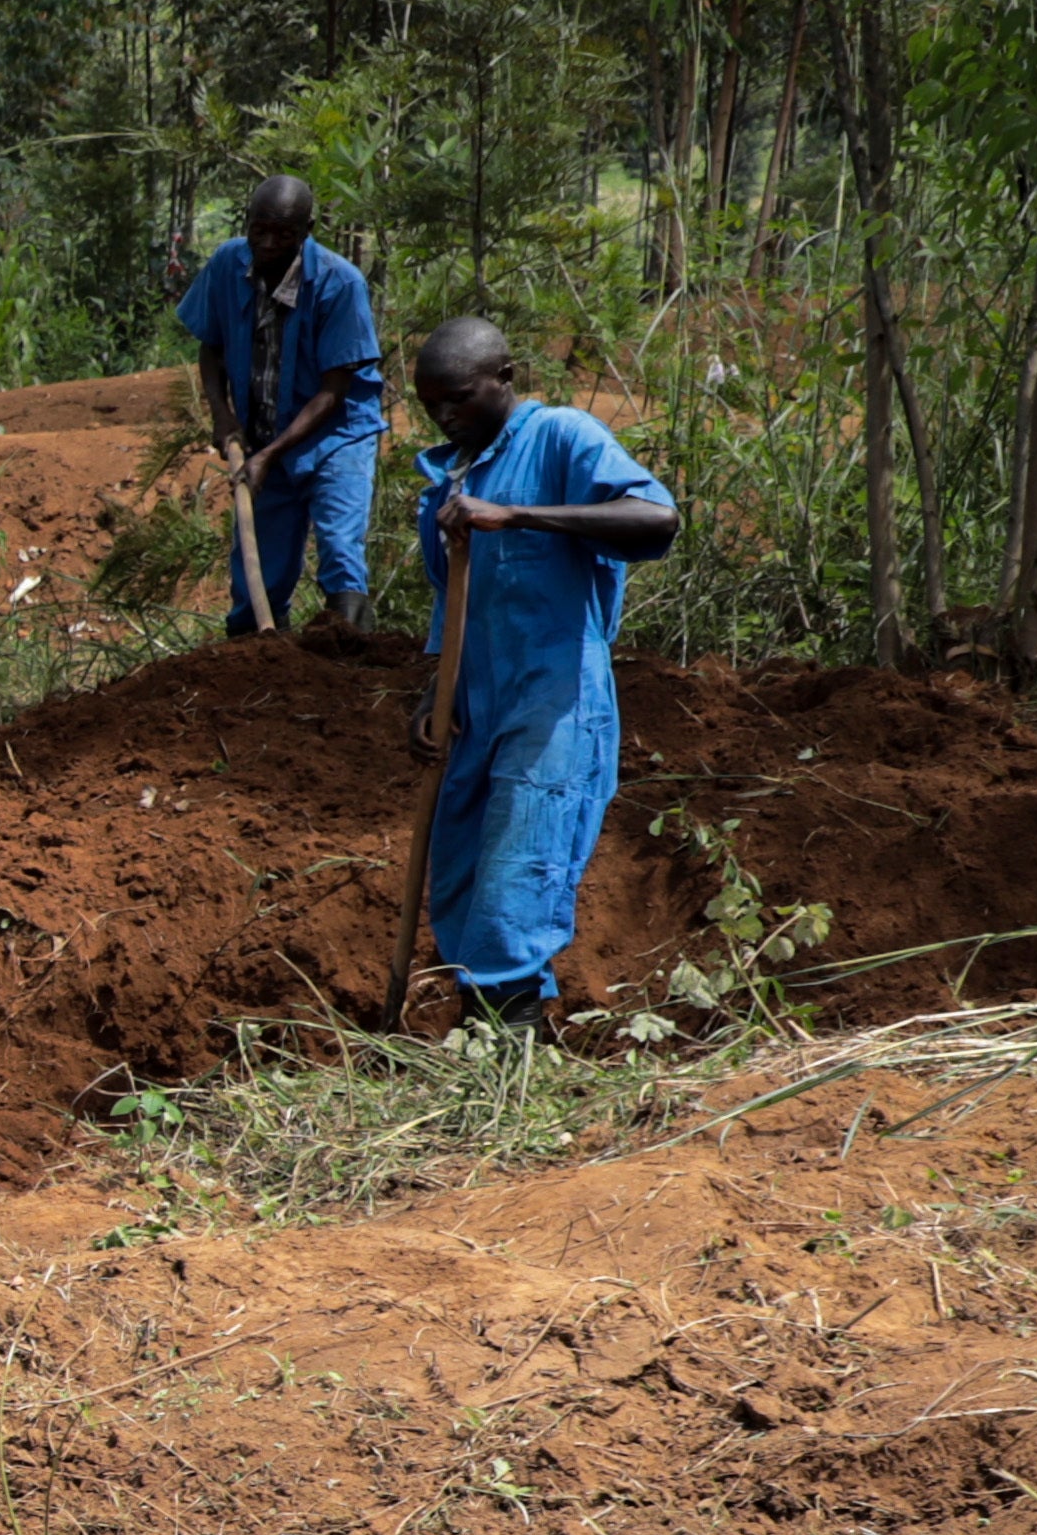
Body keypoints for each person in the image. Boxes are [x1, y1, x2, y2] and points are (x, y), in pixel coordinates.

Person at [401, 315, 680, 1041]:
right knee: (460, 867)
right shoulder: (451, 474)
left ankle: (508, 1048)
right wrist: (437, 689)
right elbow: (454, 599)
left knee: (519, 869)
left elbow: (656, 520)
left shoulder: (561, 436)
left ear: (505, 378)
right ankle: (490, 1035)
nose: (444, 415)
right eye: (430, 403)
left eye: (457, 397)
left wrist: (517, 514)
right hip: (474, 701)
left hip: (552, 697)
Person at [176, 178, 387, 633]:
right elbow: (210, 348)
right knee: (258, 577)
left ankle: (348, 649)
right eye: (260, 230)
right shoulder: (226, 265)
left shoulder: (339, 283)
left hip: (337, 435)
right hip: (263, 433)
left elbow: (333, 391)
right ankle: (258, 665)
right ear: (247, 224)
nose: (269, 243)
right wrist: (223, 415)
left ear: (307, 230)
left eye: (284, 234)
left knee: (339, 548)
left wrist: (268, 457)